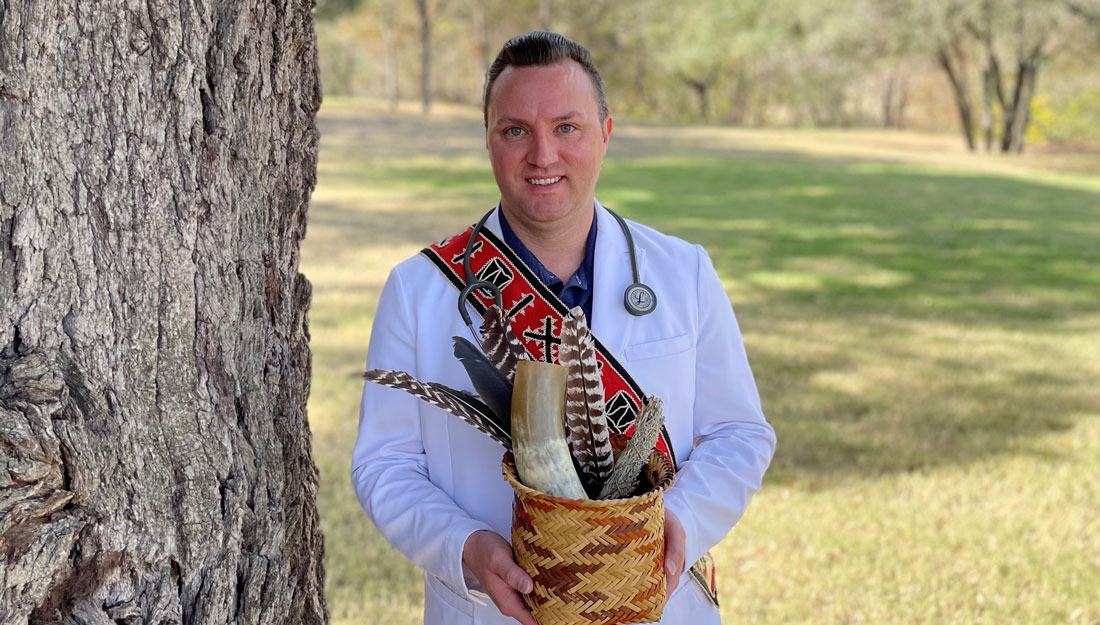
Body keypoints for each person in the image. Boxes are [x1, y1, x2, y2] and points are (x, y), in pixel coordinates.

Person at [352, 31, 776, 625]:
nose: (542, 155)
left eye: (567, 127)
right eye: (516, 130)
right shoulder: (419, 290)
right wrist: (465, 548)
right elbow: (384, 465)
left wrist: (678, 523)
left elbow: (739, 433)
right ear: (489, 140)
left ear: (605, 134)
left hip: (655, 603)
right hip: (492, 611)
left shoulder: (684, 273)